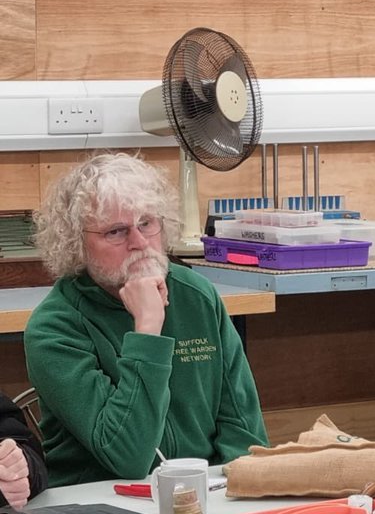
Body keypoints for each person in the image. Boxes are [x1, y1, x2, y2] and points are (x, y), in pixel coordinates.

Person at [25, 153, 268, 486]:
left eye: (147, 223)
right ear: (75, 243)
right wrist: (148, 332)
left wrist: (237, 495)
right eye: (116, 232)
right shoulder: (53, 328)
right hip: (96, 503)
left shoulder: (196, 295)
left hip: (203, 491)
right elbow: (128, 455)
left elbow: (243, 430)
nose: (139, 243)